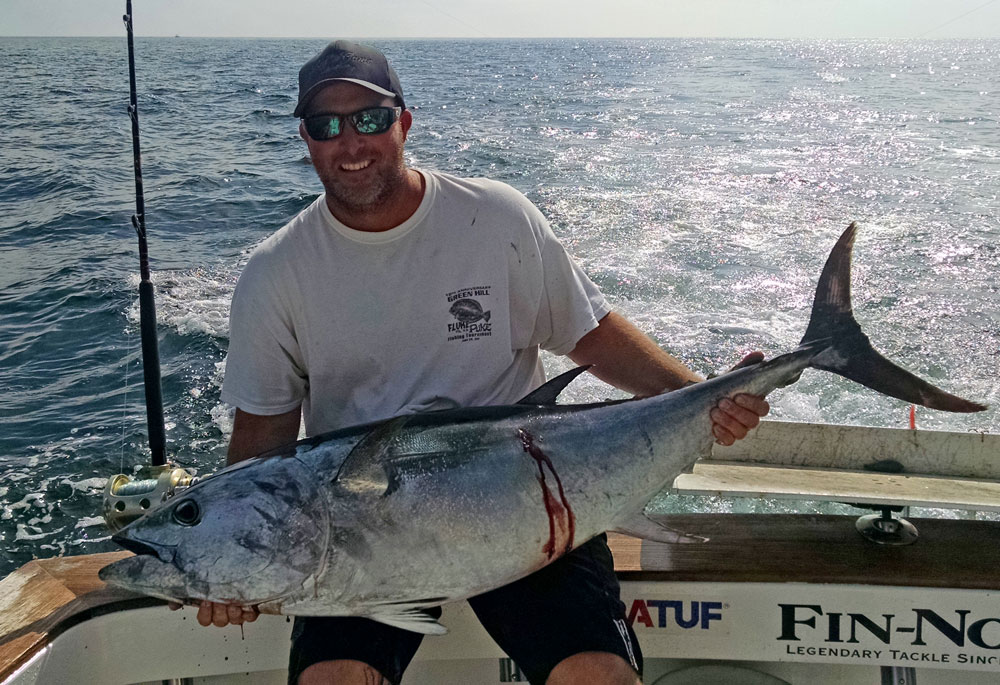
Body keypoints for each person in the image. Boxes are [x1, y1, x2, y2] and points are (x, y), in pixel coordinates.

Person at [206, 41, 769, 685]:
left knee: (596, 676)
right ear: (306, 140)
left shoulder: (497, 217)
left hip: (530, 500)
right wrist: (227, 561)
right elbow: (263, 437)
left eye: (369, 119)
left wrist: (705, 396)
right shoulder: (275, 273)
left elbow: (592, 336)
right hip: (361, 538)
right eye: (326, 126)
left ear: (404, 123)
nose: (350, 142)